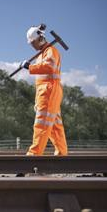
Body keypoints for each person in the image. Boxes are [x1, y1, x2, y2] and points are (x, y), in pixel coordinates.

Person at [20, 24, 68, 155]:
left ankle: (34, 154)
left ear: (40, 39)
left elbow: (49, 66)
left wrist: (30, 67)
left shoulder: (51, 51)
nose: (32, 46)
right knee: (54, 126)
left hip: (49, 91)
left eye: (33, 42)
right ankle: (62, 154)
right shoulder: (42, 54)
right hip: (46, 91)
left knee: (41, 123)